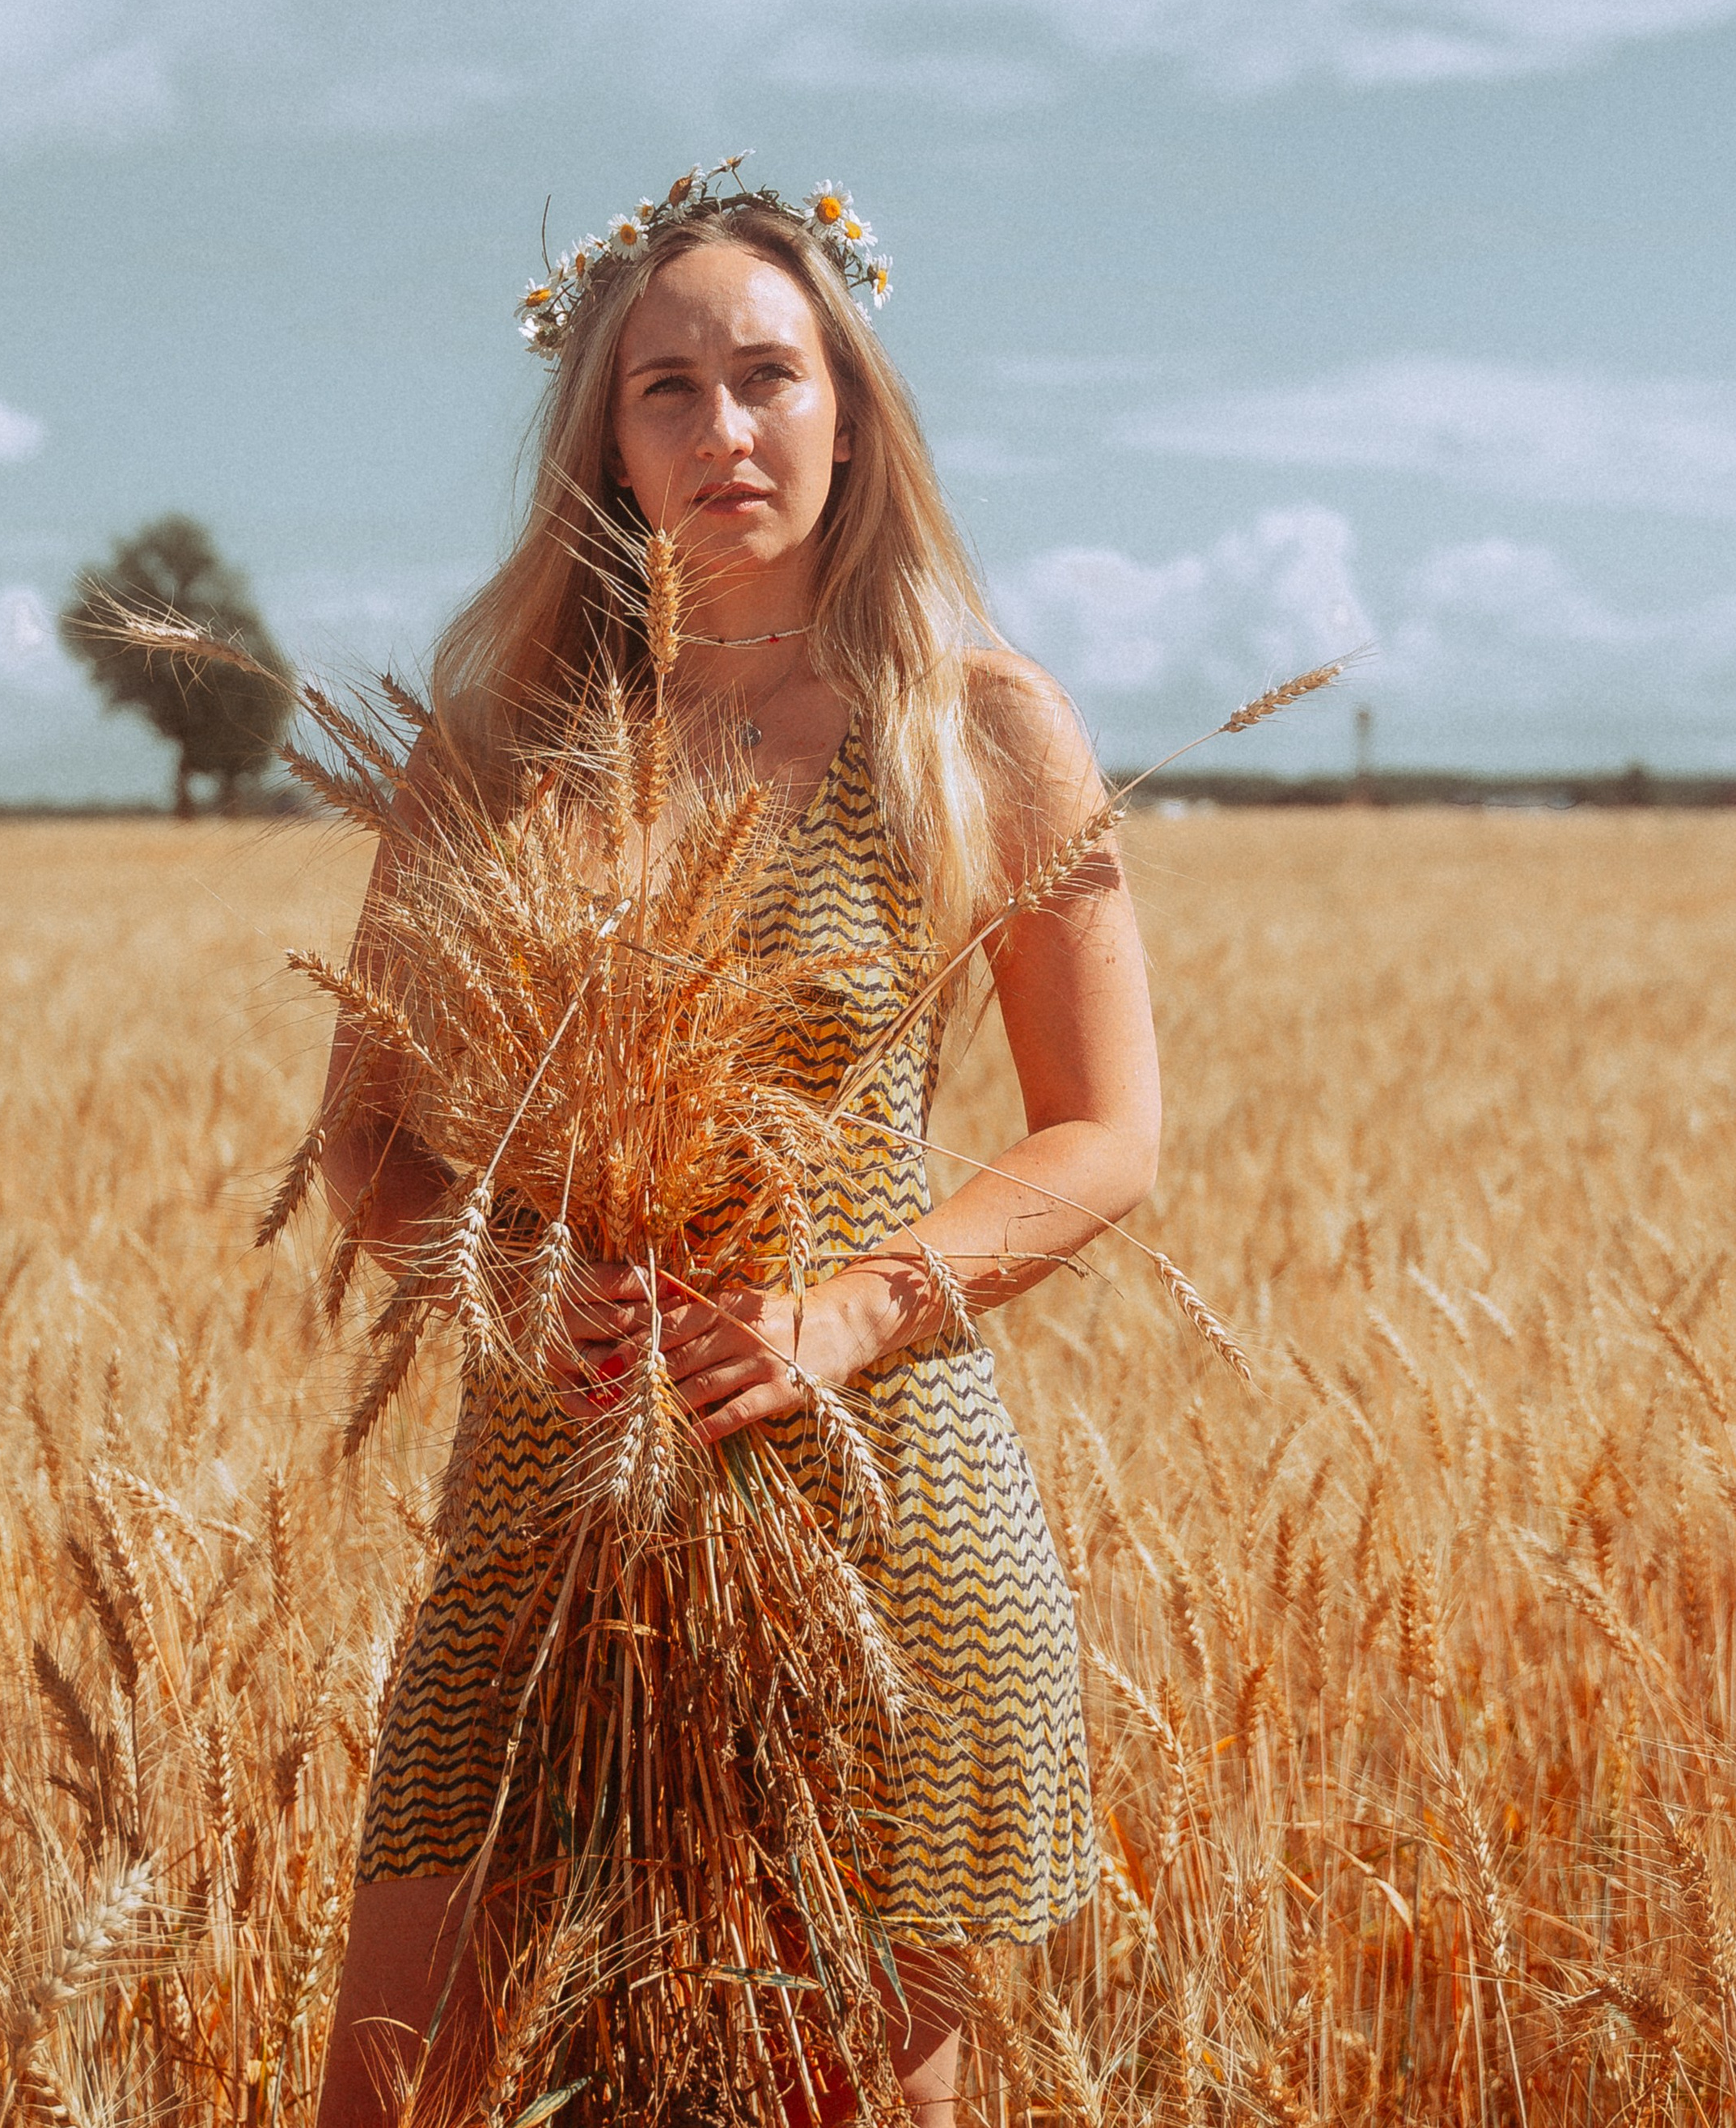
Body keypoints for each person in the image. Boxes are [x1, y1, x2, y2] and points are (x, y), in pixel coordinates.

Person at [314, 165, 1161, 2128]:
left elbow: (1105, 1130)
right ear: (600, 441)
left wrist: (842, 1317)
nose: (724, 429)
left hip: (871, 1501)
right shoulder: (496, 742)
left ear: (848, 406)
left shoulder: (973, 722)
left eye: (767, 376)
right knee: (401, 2090)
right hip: (548, 1493)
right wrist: (517, 1281)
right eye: (665, 390)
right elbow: (363, 1143)